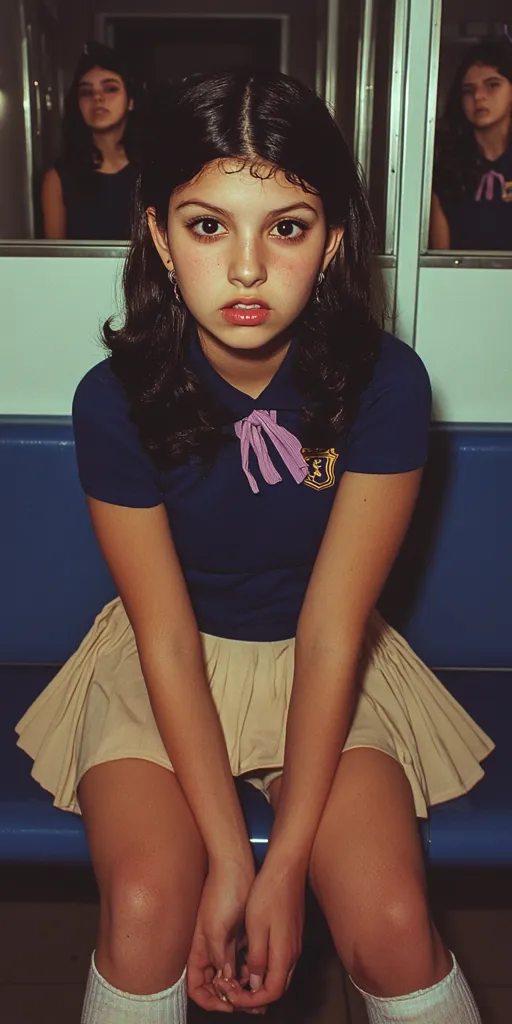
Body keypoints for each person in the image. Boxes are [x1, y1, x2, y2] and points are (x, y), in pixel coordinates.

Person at [16, 71, 492, 1024]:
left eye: (286, 226)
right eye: (207, 225)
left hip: (329, 662)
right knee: (149, 907)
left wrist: (286, 876)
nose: (245, 268)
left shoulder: (387, 386)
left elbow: (330, 629)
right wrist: (233, 858)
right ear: (157, 232)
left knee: (393, 918)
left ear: (334, 242)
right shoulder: (112, 400)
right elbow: (164, 634)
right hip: (167, 663)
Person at [41, 43, 141, 240]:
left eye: (110, 88)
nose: (97, 98)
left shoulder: (153, 168)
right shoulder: (58, 178)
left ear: (130, 101)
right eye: (86, 92)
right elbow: (54, 259)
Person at [431, 38, 512, 250]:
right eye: (468, 89)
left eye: (492, 85)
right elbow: (440, 259)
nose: (478, 96)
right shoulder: (446, 166)